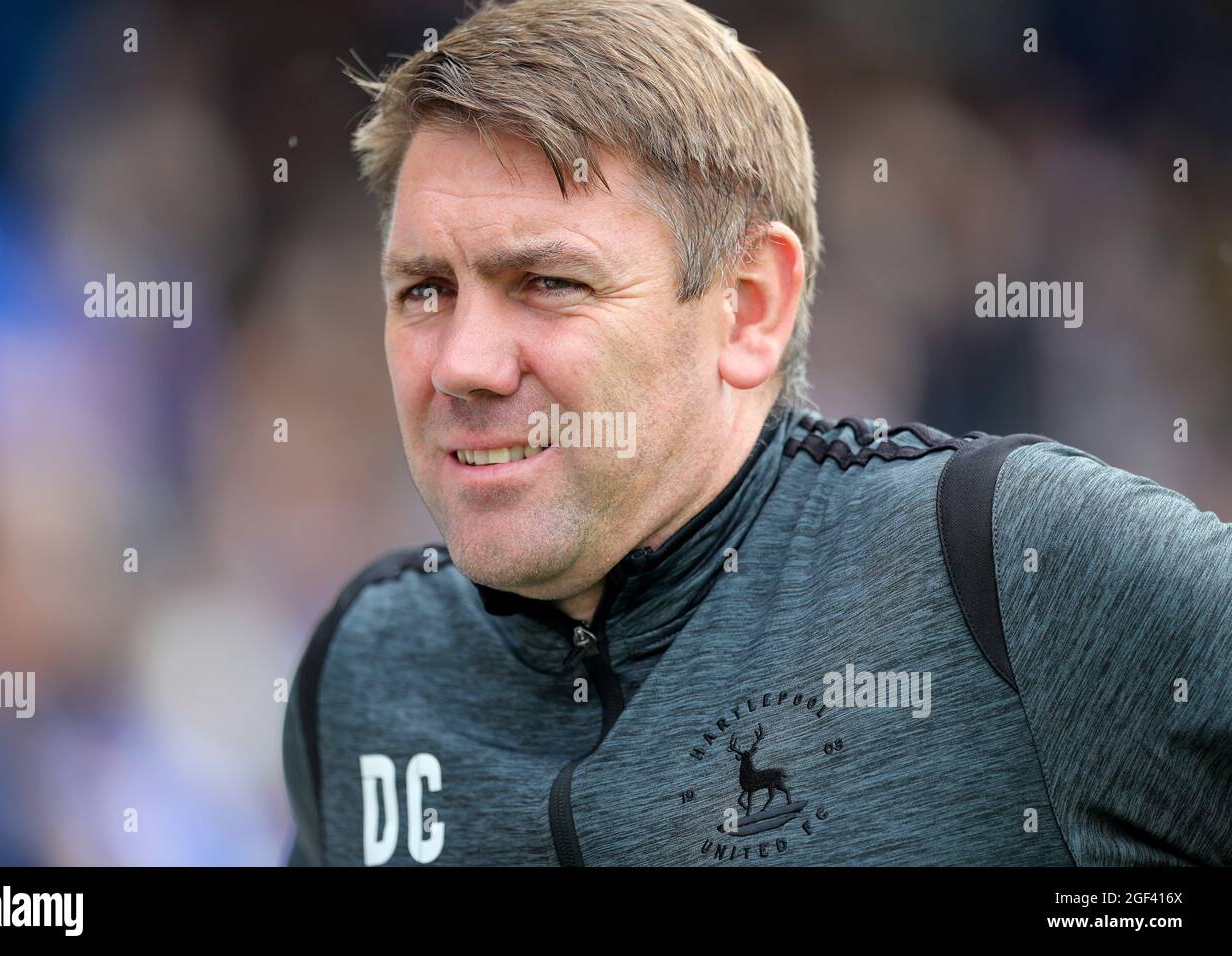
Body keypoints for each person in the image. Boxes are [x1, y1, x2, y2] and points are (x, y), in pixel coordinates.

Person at [283, 0, 1231, 866]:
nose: (462, 364)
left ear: (748, 309)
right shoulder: (367, 667)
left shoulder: (1012, 567)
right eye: (424, 291)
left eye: (548, 282)